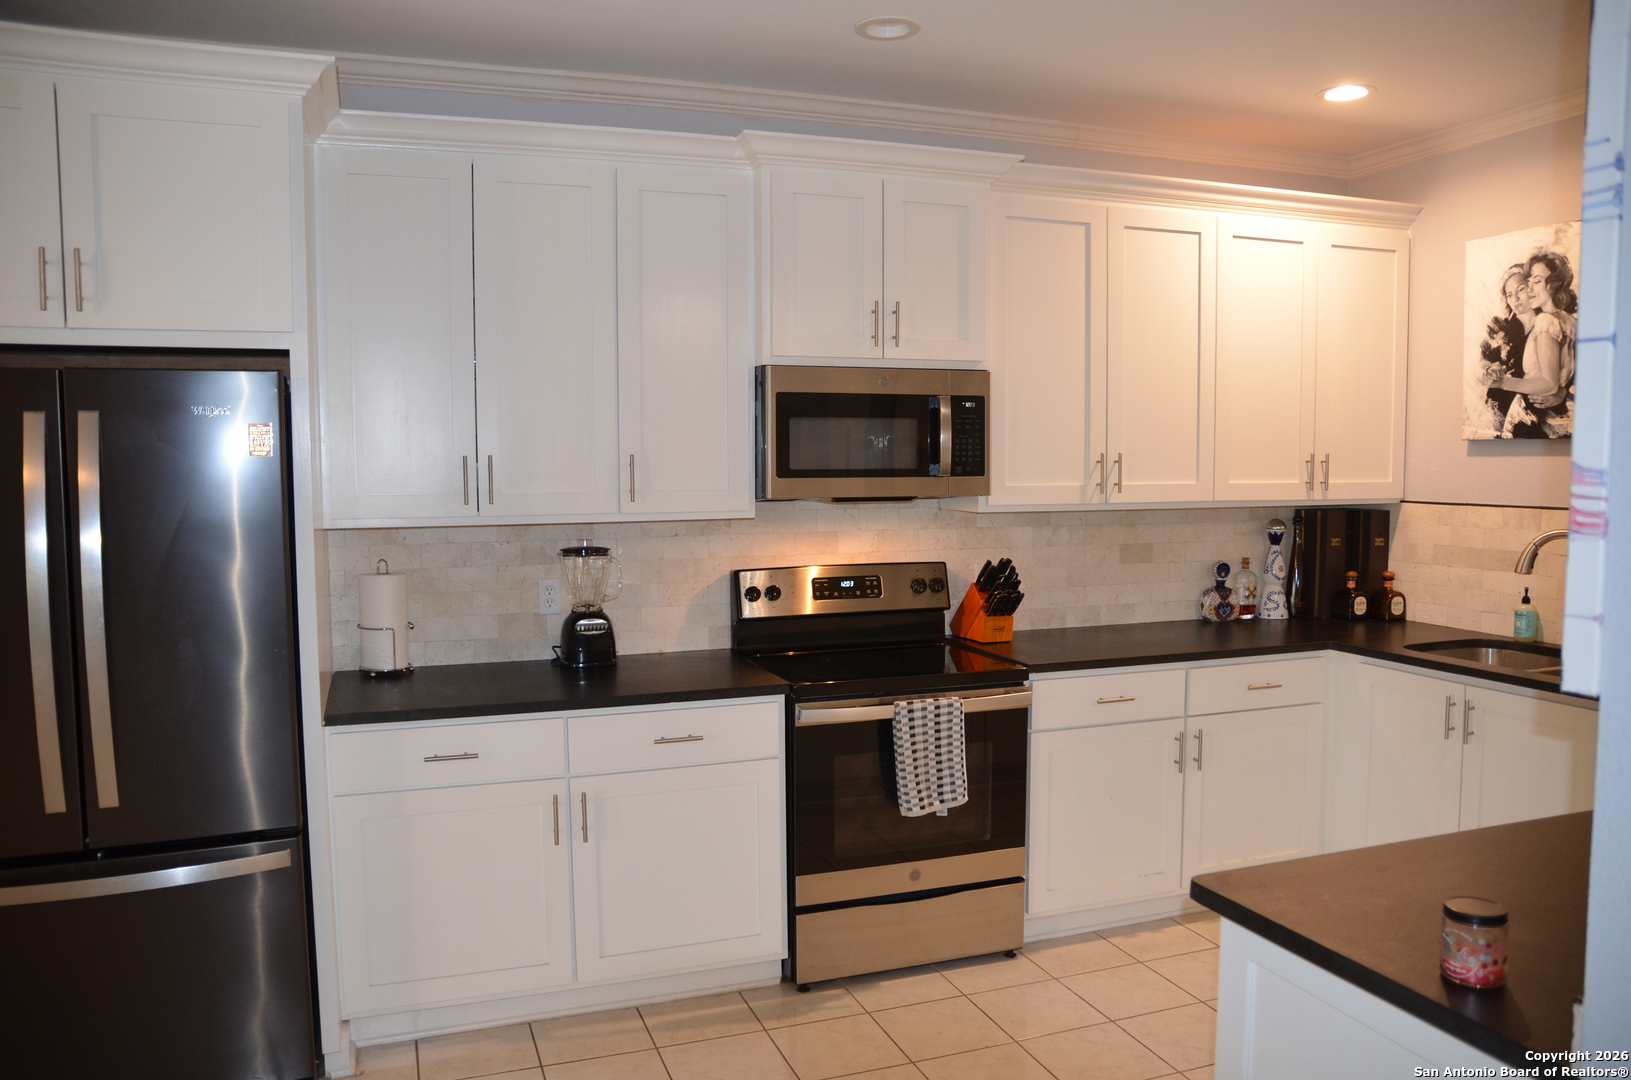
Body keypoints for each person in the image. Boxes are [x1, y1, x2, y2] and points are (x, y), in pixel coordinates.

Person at [1488, 251, 1576, 439]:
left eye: (1536, 281)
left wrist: (1500, 383)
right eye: (1528, 283)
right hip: (1554, 415)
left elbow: (1548, 382)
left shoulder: (1545, 321)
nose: (1530, 289)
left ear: (1554, 284)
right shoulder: (1569, 320)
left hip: (1532, 415)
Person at [1475, 264, 1533, 436]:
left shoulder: (1547, 324)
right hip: (1501, 402)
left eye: (1520, 289)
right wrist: (1490, 368)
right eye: (1509, 294)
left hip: (1534, 403)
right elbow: (1483, 361)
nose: (1515, 298)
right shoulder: (1499, 325)